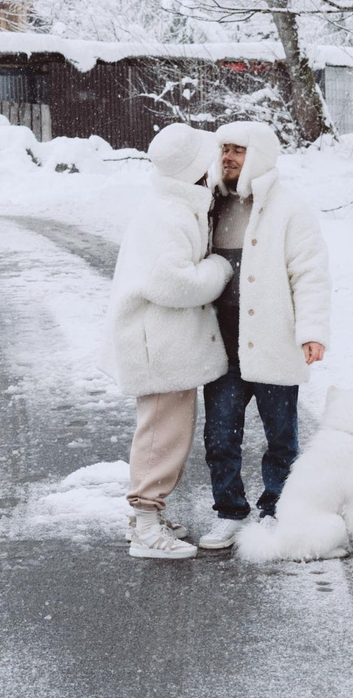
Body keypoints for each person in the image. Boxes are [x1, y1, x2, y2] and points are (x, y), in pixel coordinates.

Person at [194, 118, 330, 551]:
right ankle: (230, 511)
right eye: (225, 149)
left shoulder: (290, 210)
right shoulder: (209, 205)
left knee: (281, 438)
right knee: (220, 436)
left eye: (239, 150)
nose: (228, 158)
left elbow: (309, 274)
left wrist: (312, 331)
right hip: (222, 343)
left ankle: (276, 510)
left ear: (260, 156)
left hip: (274, 339)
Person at [107, 124, 233, 559]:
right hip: (158, 342)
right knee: (162, 433)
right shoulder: (171, 214)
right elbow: (173, 282)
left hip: (162, 338)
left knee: (166, 430)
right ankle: (145, 526)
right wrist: (219, 269)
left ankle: (145, 518)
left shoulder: (174, 203)